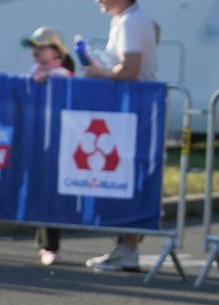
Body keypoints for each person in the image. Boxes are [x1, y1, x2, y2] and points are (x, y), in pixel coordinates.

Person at [82, 0, 158, 272]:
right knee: (125, 178)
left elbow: (130, 70)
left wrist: (96, 72)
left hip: (134, 110)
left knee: (127, 178)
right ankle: (126, 248)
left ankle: (128, 249)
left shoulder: (130, 21)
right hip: (133, 109)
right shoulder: (129, 19)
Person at [22, 26, 74, 266]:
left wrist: (47, 79)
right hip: (37, 140)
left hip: (59, 143)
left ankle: (51, 246)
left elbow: (63, 81)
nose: (35, 52)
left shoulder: (62, 73)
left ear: (56, 51)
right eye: (33, 47)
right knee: (40, 190)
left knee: (52, 192)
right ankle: (43, 243)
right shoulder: (36, 70)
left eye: (40, 46)